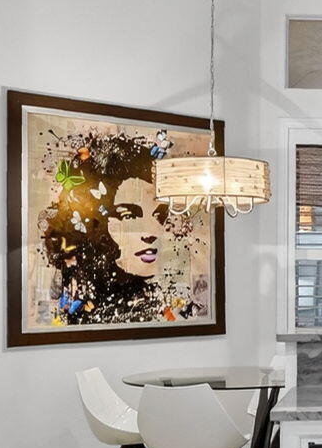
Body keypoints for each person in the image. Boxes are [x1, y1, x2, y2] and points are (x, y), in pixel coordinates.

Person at [37, 131, 209, 326]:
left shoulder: (163, 300)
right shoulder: (85, 313)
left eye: (160, 216)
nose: (150, 233)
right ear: (97, 226)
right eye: (129, 216)